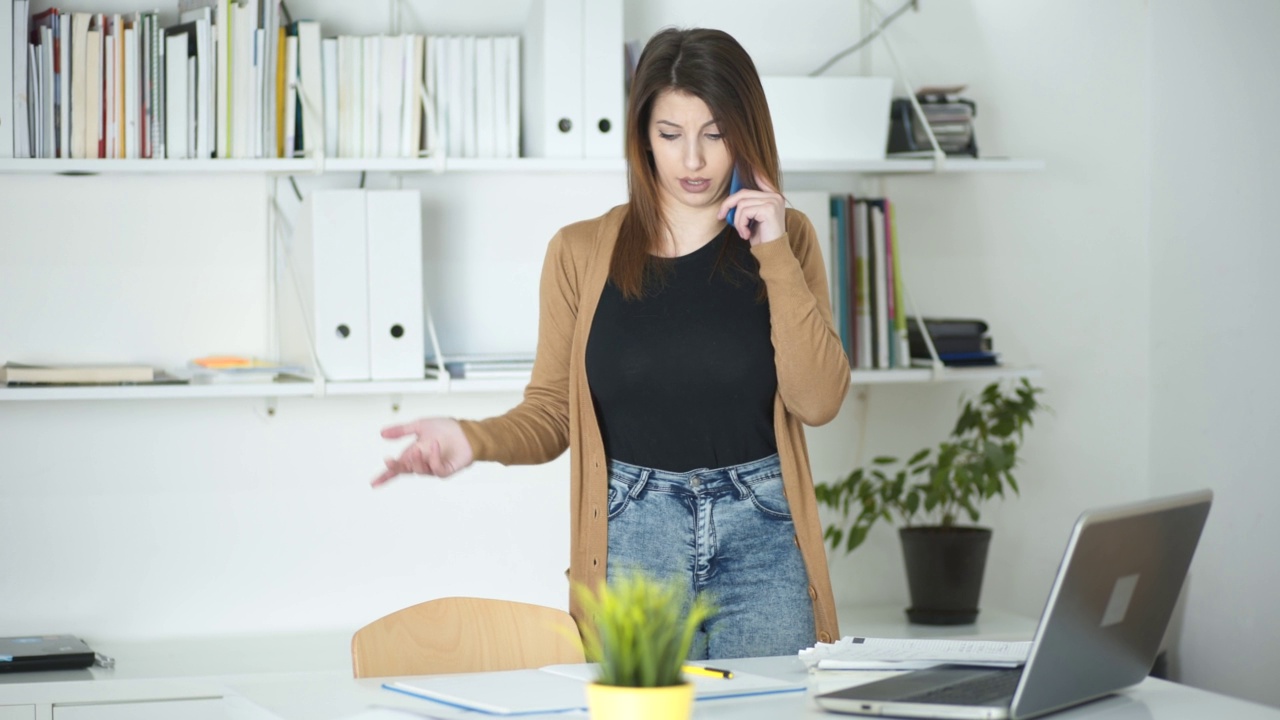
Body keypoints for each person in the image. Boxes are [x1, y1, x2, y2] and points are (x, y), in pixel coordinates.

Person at [372, 27, 850, 659]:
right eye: (670, 135)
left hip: (763, 536)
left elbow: (817, 401)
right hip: (633, 539)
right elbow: (551, 412)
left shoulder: (789, 241)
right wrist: (471, 438)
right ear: (641, 138)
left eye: (714, 133)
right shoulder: (579, 252)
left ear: (746, 131)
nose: (693, 161)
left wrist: (773, 252)